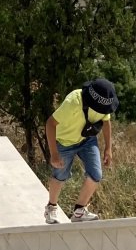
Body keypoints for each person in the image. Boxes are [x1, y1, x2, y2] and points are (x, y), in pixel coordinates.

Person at [43, 78, 117, 224]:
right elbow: (50, 123)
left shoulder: (103, 105)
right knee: (60, 175)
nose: (102, 112)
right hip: (64, 142)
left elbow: (106, 122)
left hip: (87, 139)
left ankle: (79, 211)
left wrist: (108, 148)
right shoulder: (72, 103)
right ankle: (51, 207)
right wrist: (54, 154)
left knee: (96, 175)